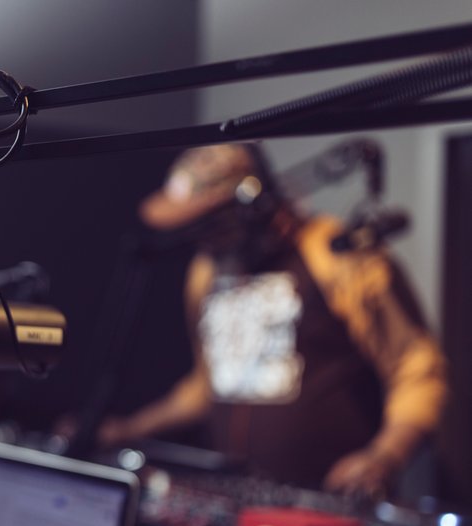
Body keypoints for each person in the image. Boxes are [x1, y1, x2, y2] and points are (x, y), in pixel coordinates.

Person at [69, 143, 447, 499]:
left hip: (330, 504)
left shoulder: (336, 256)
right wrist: (128, 429)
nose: (202, 240)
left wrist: (384, 455)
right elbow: (208, 384)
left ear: (252, 207)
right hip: (236, 502)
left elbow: (417, 369)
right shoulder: (206, 271)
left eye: (211, 224)